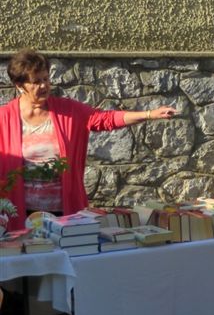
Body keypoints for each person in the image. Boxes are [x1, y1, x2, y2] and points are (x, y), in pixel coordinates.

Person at [0, 49, 176, 230]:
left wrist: (149, 114)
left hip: (64, 212)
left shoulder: (68, 110)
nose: (44, 86)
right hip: (19, 213)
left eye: (46, 79)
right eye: (36, 82)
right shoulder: (3, 118)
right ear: (19, 86)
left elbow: (104, 119)